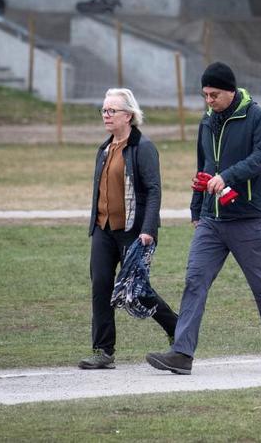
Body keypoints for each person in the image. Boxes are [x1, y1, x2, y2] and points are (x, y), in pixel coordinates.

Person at [146, 62, 261, 375]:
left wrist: (226, 176)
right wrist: (196, 209)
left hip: (249, 218)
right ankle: (182, 353)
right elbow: (204, 166)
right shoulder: (207, 121)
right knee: (194, 281)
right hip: (212, 220)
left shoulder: (257, 117)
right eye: (205, 95)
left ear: (230, 91)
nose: (209, 100)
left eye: (214, 94)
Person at [80, 88, 178, 369]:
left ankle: (178, 328)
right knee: (101, 285)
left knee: (137, 290)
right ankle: (103, 351)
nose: (106, 115)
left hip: (134, 231)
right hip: (103, 230)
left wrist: (148, 230)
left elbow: (154, 191)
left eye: (112, 111)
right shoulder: (105, 148)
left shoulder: (143, 148)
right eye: (104, 110)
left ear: (129, 116)